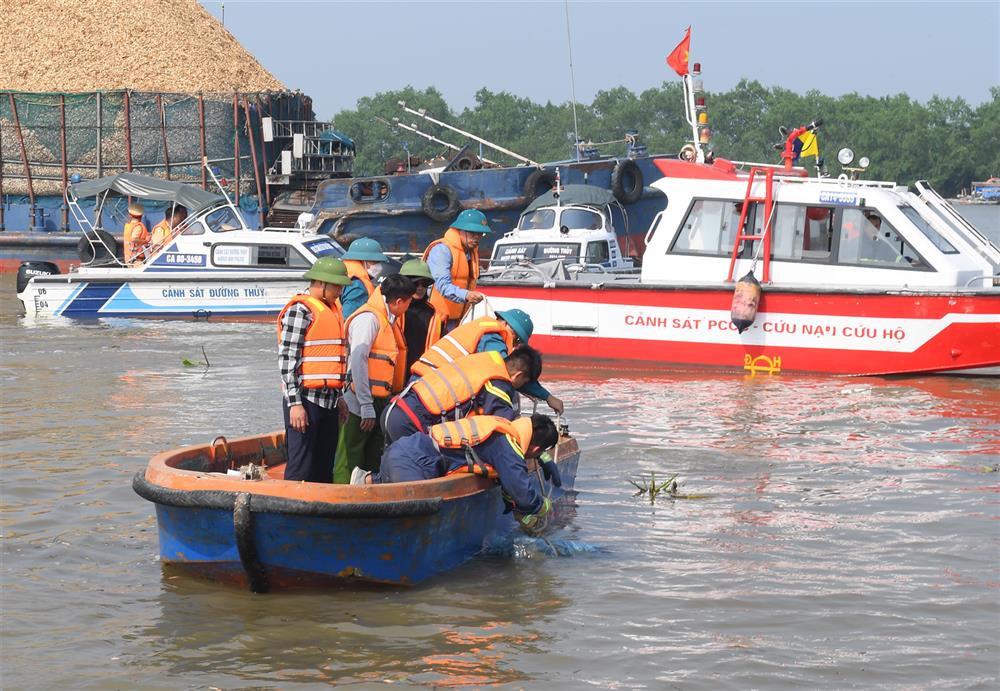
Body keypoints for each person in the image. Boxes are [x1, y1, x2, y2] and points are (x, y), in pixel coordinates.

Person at [362, 414, 560, 531]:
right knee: (411, 526)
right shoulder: (507, 447)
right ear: (535, 450)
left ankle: (366, 481)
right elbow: (522, 494)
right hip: (413, 463)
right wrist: (544, 506)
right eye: (539, 453)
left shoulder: (502, 427)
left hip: (402, 450)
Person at [333, 273, 415, 483]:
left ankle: (367, 500)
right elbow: (359, 360)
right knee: (350, 456)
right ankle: (342, 499)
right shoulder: (368, 319)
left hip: (379, 400)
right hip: (358, 402)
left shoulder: (388, 320)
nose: (408, 308)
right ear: (398, 301)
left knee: (372, 455)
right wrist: (365, 404)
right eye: (408, 303)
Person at [277, 257, 352, 482]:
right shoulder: (300, 311)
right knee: (301, 466)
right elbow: (288, 359)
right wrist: (295, 404)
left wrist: (339, 398)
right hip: (306, 401)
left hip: (328, 401)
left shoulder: (333, 310)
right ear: (321, 282)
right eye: (337, 286)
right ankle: (292, 511)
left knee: (324, 466)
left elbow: (332, 360)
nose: (340, 291)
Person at [411, 309, 564, 414]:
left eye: (518, 342)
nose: (514, 344)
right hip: (430, 385)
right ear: (505, 324)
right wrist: (547, 397)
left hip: (427, 381)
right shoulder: (492, 337)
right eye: (516, 338)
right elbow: (504, 371)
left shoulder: (483, 328)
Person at [381, 346, 542, 444]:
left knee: (393, 464)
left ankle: (364, 483)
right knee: (422, 469)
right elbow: (506, 426)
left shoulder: (485, 359)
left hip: (395, 408)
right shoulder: (497, 383)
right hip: (411, 422)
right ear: (518, 376)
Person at [423, 208, 490, 331]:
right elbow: (442, 285)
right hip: (435, 319)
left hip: (457, 319)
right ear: (460, 230)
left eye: (480, 234)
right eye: (472, 233)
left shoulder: (470, 252)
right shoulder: (442, 250)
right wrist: (467, 295)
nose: (477, 237)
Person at [398, 258, 446, 371]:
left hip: (420, 373)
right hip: (394, 372)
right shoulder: (393, 309)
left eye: (424, 284)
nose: (420, 288)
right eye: (415, 283)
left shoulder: (433, 314)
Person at [339, 237, 390, 319]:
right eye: (375, 261)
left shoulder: (345, 274)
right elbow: (349, 317)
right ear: (362, 261)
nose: (379, 265)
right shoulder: (358, 286)